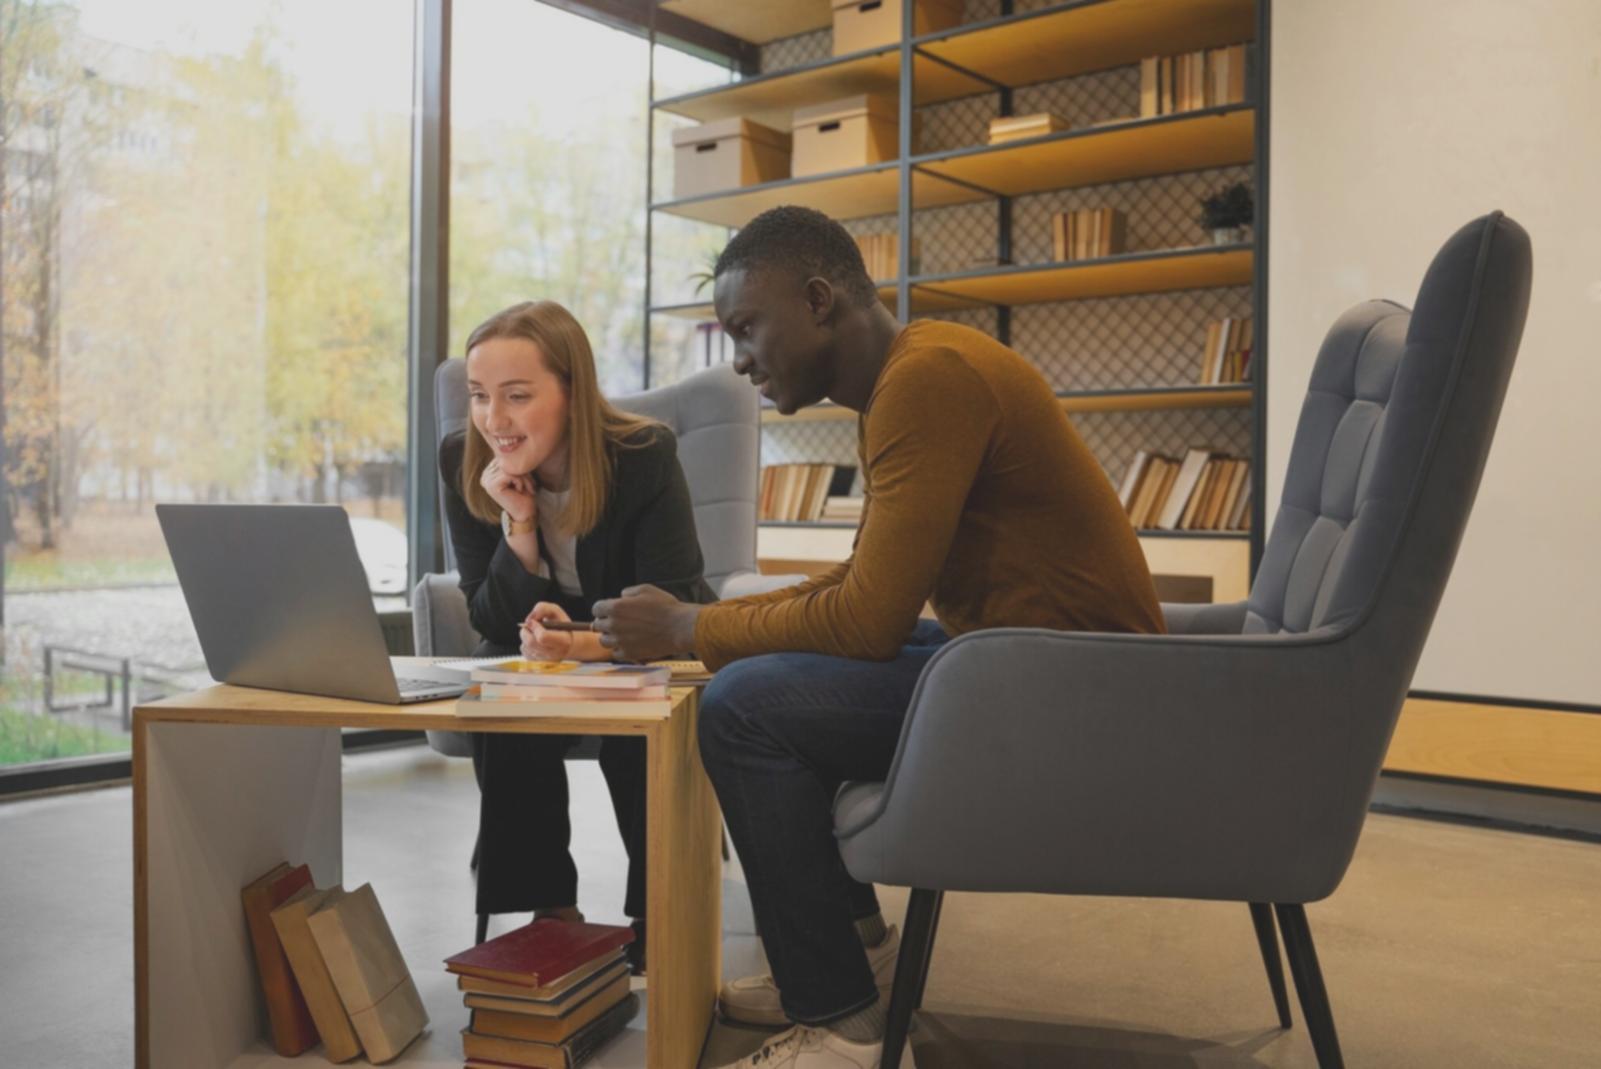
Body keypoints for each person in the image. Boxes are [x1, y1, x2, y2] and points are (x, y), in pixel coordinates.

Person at [592, 206, 1165, 1067]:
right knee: (770, 671)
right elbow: (864, 583)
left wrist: (688, 625)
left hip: (1072, 689)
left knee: (746, 706)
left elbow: (866, 622)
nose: (738, 359)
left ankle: (839, 1020)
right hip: (1028, 662)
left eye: (746, 329)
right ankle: (854, 948)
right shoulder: (914, 372)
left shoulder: (925, 380)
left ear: (818, 300)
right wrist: (706, 626)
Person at [440, 299, 713, 969]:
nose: (493, 420)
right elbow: (487, 615)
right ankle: (550, 909)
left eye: (517, 396)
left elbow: (669, 606)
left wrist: (583, 643)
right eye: (479, 396)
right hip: (542, 653)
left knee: (633, 717)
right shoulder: (465, 459)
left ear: (571, 392)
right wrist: (520, 529)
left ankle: (657, 907)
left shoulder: (643, 456)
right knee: (500, 693)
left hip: (648, 645)